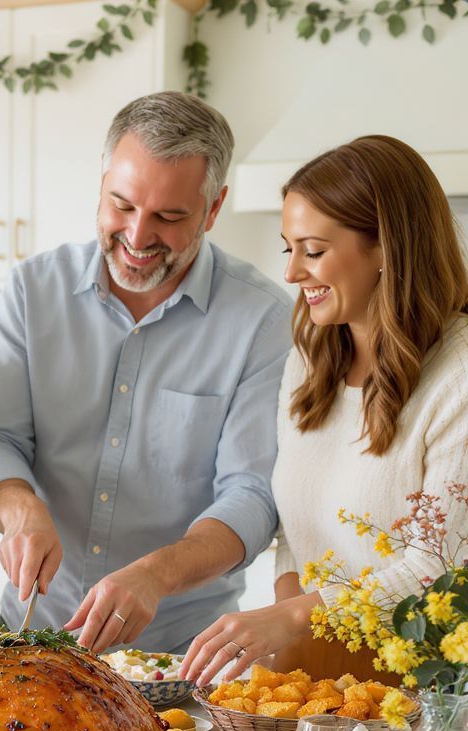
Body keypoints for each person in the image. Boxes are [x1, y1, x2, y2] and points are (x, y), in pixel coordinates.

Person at [0, 91, 292, 656]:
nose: (138, 237)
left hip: (181, 652)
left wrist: (156, 575)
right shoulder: (33, 290)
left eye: (169, 217)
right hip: (31, 629)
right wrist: (20, 510)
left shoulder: (262, 320)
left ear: (213, 209)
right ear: (101, 186)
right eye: (122, 205)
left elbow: (252, 495)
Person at [182, 135, 468, 686]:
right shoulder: (309, 360)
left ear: (387, 247)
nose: (291, 274)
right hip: (314, 675)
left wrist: (291, 618)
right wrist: (296, 658)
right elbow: (299, 530)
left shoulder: (456, 375)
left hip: (418, 692)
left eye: (313, 251)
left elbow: (439, 570)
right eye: (288, 248)